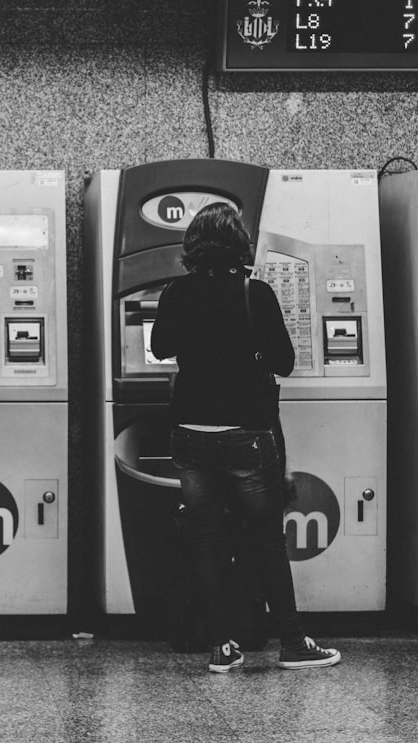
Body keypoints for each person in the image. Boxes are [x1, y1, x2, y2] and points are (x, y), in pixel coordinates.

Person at [150, 202, 341, 673]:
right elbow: (283, 361)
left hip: (190, 434)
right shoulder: (254, 293)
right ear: (239, 244)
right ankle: (293, 643)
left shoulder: (176, 292)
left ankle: (222, 647)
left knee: (205, 539)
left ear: (192, 247)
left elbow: (158, 348)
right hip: (245, 436)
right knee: (265, 540)